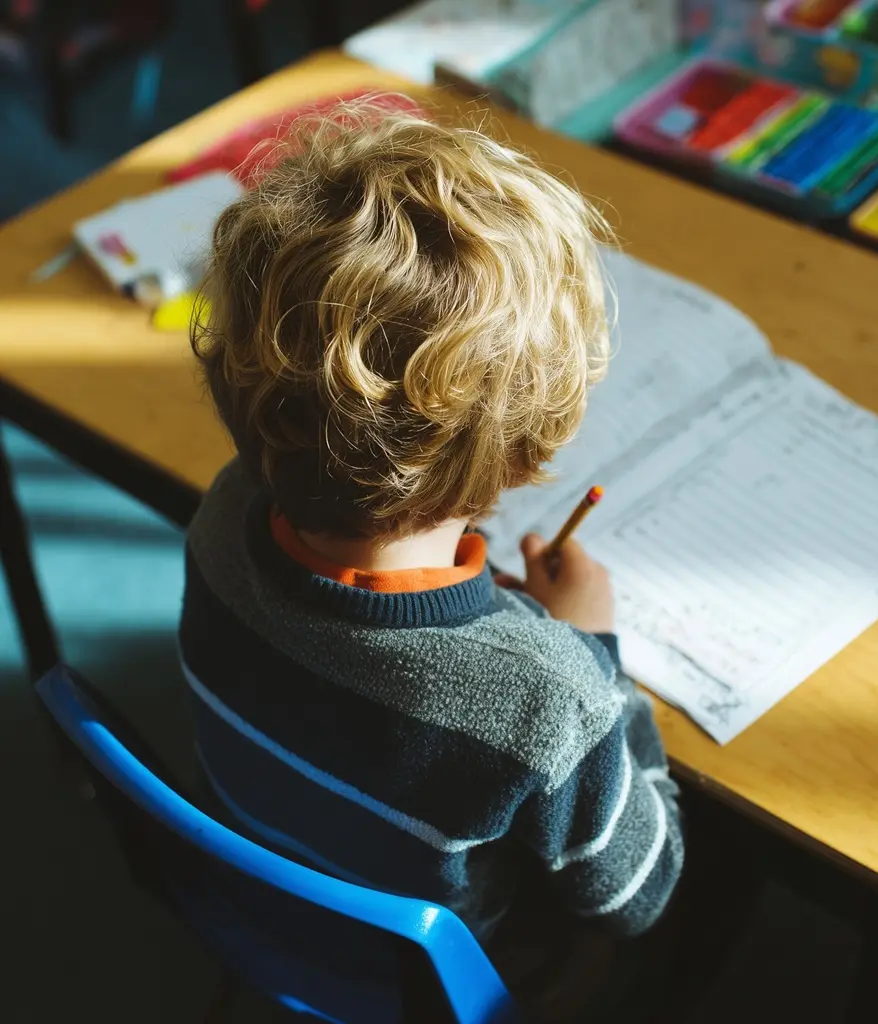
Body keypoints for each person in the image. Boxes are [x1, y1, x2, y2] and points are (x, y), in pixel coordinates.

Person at [180, 100, 683, 1020]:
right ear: (527, 452)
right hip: (430, 990)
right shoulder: (549, 699)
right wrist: (598, 659)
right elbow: (638, 896)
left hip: (253, 905)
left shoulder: (221, 515)